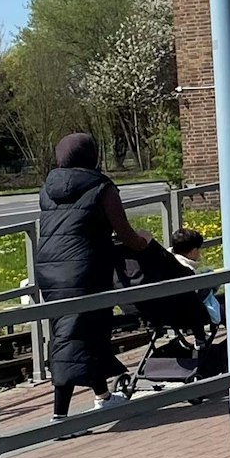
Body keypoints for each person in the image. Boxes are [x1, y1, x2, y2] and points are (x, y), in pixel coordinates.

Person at [35, 132, 155, 422]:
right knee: (73, 336)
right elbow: (125, 233)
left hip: (50, 270)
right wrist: (145, 242)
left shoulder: (47, 189)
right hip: (85, 269)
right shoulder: (102, 188)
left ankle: (103, 396)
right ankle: (59, 417)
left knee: (78, 331)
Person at [167, 228, 223, 325]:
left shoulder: (168, 261)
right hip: (188, 312)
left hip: (168, 310)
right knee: (226, 307)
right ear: (193, 251)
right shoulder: (186, 270)